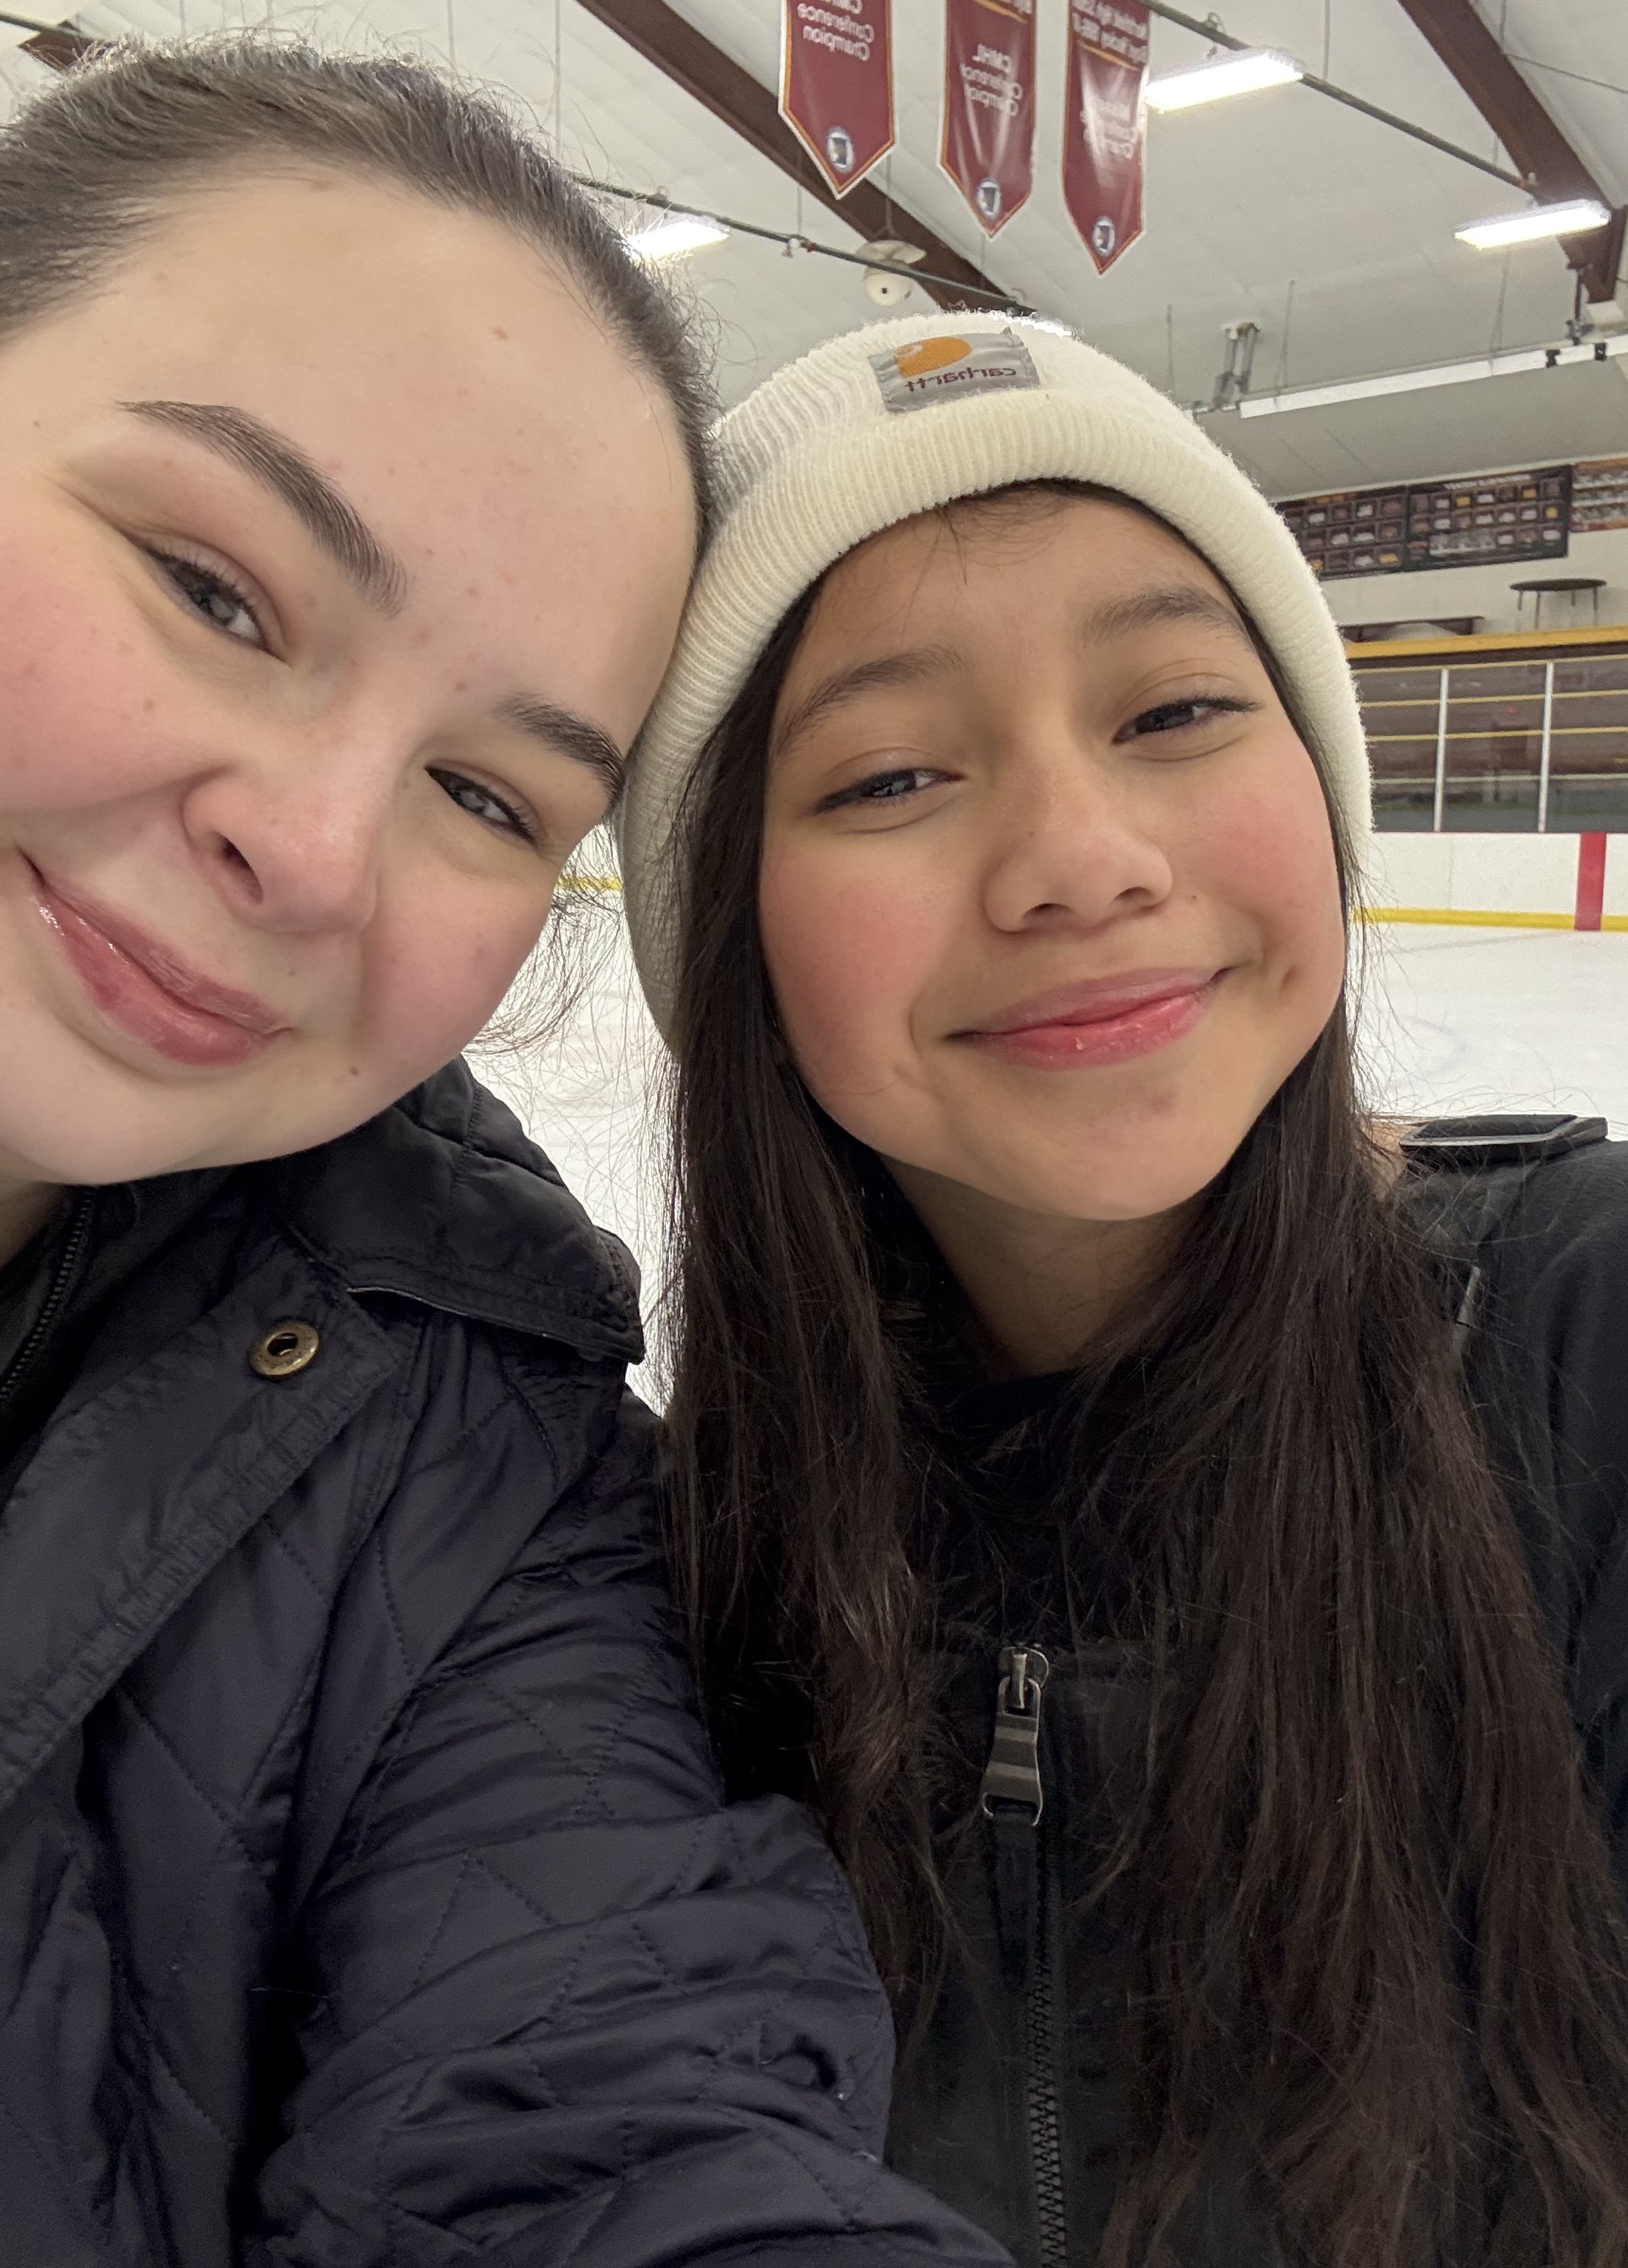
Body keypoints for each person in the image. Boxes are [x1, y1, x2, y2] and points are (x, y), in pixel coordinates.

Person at [0, 48, 1014, 2268]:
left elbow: (605, 2107)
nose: (311, 850)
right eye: (216, 586)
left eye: (485, 797)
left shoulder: (463, 1456)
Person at [621, 311, 1628, 2268]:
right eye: (883, 778)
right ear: (726, 938)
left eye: (1176, 711)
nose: (1077, 858)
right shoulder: (654, 1578)